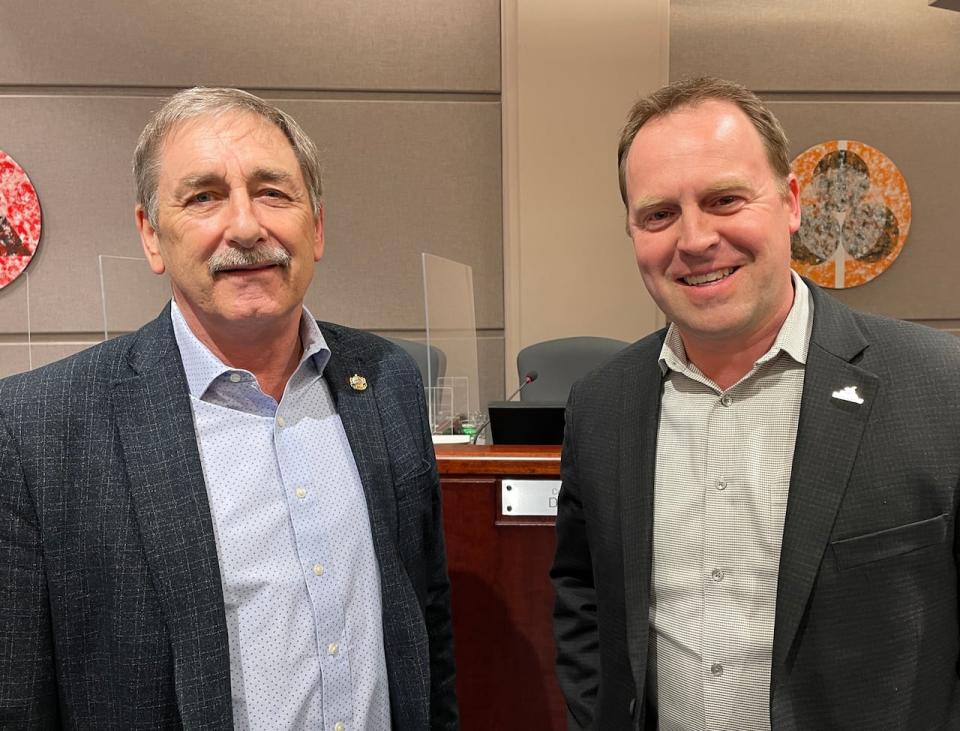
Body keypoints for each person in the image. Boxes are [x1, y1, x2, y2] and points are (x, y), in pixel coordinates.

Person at [0, 87, 458, 729]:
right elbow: (16, 700)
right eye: (204, 196)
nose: (246, 227)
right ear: (152, 236)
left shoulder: (386, 383)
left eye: (273, 192)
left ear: (316, 227)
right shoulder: (36, 428)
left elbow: (424, 618)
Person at [551, 76, 960, 730]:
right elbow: (585, 603)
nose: (694, 239)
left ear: (792, 201)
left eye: (724, 199)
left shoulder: (940, 387)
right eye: (659, 213)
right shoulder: (602, 406)